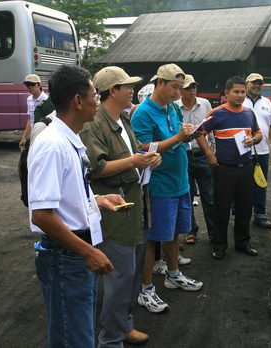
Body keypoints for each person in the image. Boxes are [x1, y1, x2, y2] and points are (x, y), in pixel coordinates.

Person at [28, 65, 126, 347]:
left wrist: (95, 200)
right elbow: (43, 215)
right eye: (95, 95)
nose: (98, 100)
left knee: (78, 331)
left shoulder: (68, 139)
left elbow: (63, 196)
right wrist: (88, 252)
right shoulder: (52, 144)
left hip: (73, 253)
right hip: (66, 256)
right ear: (78, 101)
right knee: (74, 337)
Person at [80, 66, 163, 346]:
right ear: (112, 90)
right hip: (115, 214)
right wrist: (135, 162)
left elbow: (136, 149)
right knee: (119, 278)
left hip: (135, 207)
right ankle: (111, 339)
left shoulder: (123, 119)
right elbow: (96, 168)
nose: (132, 91)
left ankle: (124, 325)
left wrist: (149, 157)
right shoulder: (94, 124)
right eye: (127, 86)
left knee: (132, 274)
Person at [131, 64, 203, 302]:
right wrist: (178, 137)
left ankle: (173, 274)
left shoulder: (172, 107)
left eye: (180, 87)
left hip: (179, 180)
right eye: (174, 87)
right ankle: (146, 288)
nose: (178, 92)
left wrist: (188, 134)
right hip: (159, 185)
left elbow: (176, 138)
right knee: (152, 236)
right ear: (159, 82)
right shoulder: (143, 112)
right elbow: (142, 148)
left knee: (173, 232)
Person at [201, 76, 262, 260]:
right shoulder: (216, 113)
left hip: (245, 167)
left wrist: (254, 139)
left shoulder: (249, 113)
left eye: (243, 92)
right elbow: (199, 133)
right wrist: (209, 154)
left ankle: (243, 243)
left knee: (245, 208)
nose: (240, 95)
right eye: (236, 92)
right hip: (224, 169)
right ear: (227, 93)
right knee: (222, 209)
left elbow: (258, 133)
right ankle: (219, 245)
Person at [175, 74, 215, 245]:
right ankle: (191, 230)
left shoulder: (204, 103)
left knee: (209, 196)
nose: (192, 90)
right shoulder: (174, 107)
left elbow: (210, 129)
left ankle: (214, 232)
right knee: (188, 195)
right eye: (188, 88)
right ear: (181, 90)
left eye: (194, 87)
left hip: (202, 154)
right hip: (184, 156)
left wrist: (213, 151)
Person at [243, 73, 271, 229]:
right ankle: (240, 214)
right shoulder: (240, 100)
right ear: (246, 83)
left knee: (260, 183)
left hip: (262, 151)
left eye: (260, 83)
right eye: (254, 83)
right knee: (241, 184)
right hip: (242, 151)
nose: (257, 85)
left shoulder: (267, 102)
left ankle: (260, 214)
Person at [19, 74, 48, 148]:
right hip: (33, 135)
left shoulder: (46, 99)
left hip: (44, 137)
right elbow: (30, 120)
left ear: (39, 85)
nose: (30, 87)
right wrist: (24, 137)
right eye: (27, 85)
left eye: (32, 84)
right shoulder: (29, 99)